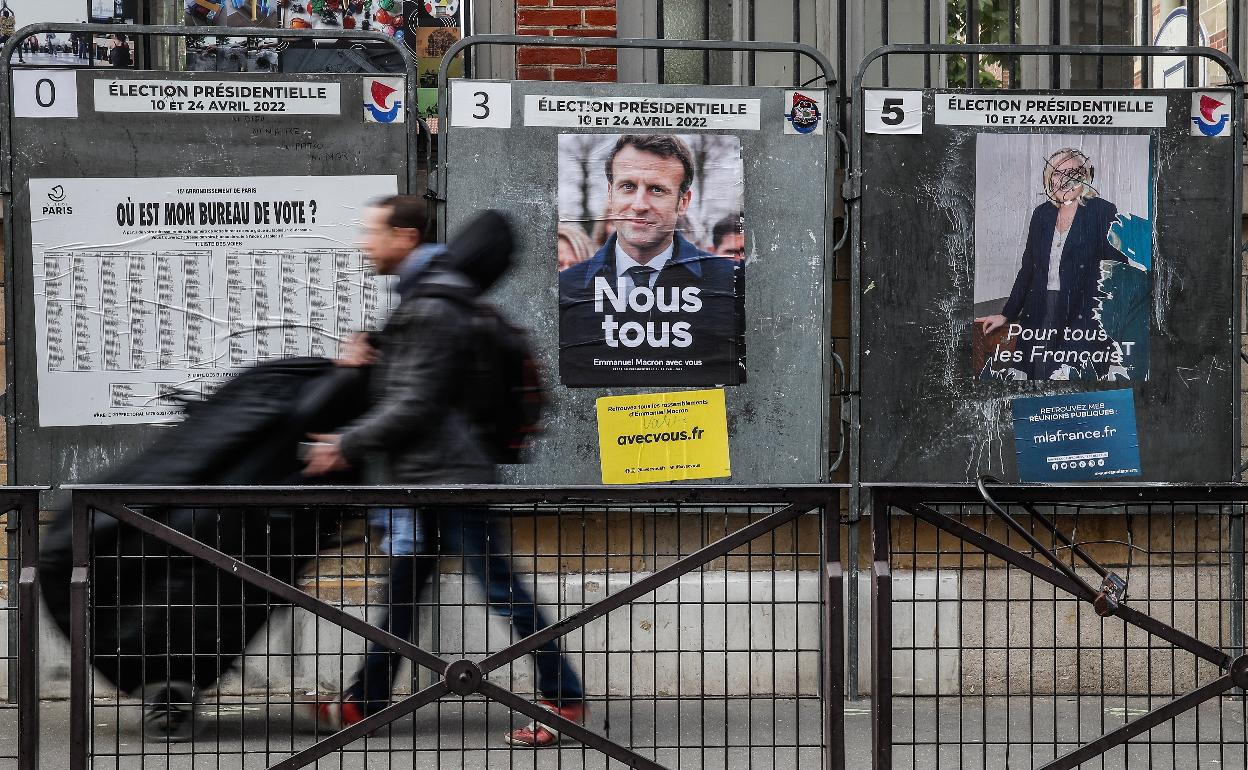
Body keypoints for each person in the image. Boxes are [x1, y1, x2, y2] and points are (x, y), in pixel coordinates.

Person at [302, 196, 585, 747]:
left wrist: (346, 442)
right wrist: (377, 355)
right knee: (403, 593)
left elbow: (417, 403)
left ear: (405, 237)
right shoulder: (432, 298)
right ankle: (364, 701)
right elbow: (423, 385)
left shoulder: (432, 304)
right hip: (429, 477)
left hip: (449, 478)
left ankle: (562, 700)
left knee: (501, 588)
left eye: (373, 232)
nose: (366, 243)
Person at [558, 134, 742, 385]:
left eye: (657, 189)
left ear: (683, 202)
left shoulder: (730, 284)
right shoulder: (566, 289)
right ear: (611, 195)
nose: (639, 204)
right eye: (628, 186)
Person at [974, 148, 1126, 380]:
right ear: (1049, 178)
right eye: (1057, 173)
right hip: (1041, 310)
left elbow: (1117, 270)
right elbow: (1028, 269)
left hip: (1082, 311)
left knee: (1072, 379)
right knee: (1035, 376)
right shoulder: (1041, 214)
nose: (1063, 179)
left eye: (1072, 172)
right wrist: (1006, 314)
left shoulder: (1103, 211)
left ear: (1084, 177)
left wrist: (1113, 315)